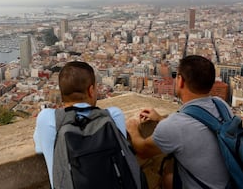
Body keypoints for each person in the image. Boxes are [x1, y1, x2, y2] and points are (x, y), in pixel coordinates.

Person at [127, 55, 232, 188]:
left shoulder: (175, 125)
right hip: (230, 183)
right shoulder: (222, 105)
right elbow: (192, 128)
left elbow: (142, 150)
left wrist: (132, 128)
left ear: (180, 80)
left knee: (168, 173)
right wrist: (160, 119)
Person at [33, 61, 127, 188]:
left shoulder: (47, 119)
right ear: (91, 90)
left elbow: (39, 148)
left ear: (62, 93)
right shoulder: (114, 116)